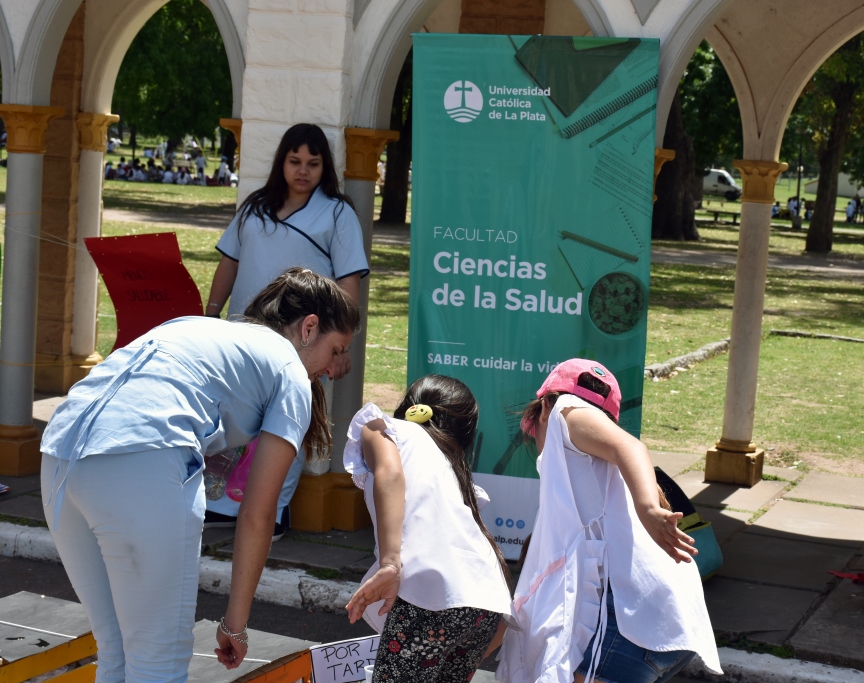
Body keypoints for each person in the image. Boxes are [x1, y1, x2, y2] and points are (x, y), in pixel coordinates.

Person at [39, 268, 361, 683]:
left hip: (60, 458)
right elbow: (259, 513)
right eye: (336, 350)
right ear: (309, 327)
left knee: (118, 650)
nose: (336, 369)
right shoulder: (289, 371)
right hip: (140, 463)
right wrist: (234, 625)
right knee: (159, 663)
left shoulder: (199, 328)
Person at [496, 360, 721, 683]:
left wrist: (648, 509)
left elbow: (629, 445)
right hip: (658, 625)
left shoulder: (565, 410)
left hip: (625, 622)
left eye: (534, 430)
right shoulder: (594, 476)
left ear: (543, 406)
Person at [204, 123, 369, 535]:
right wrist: (211, 311)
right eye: (295, 161)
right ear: (282, 162)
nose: (303, 171)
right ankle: (220, 503)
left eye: (313, 163)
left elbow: (349, 281)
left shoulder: (337, 213)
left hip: (306, 341)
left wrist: (342, 346)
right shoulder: (255, 206)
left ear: (324, 167)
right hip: (242, 335)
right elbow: (230, 262)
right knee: (235, 416)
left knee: (286, 419)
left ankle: (272, 512)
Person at [343, 376, 513, 681]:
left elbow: (390, 473)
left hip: (429, 597)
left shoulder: (381, 428)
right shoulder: (453, 470)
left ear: (408, 408)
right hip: (485, 606)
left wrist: (390, 563)